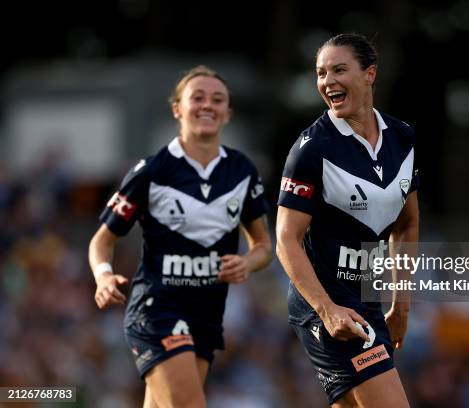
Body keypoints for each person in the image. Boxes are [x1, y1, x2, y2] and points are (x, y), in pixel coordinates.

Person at [89, 65, 272, 408]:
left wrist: (248, 263)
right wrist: (102, 276)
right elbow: (102, 239)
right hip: (157, 309)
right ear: (177, 108)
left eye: (217, 99)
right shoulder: (152, 170)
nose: (208, 105)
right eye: (197, 97)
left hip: (205, 315)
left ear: (227, 113)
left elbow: (264, 246)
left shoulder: (242, 171)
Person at [276, 33, 419, 407]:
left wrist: (400, 305)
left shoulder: (402, 138)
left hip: (367, 301)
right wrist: (327, 310)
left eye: (340, 70)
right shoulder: (312, 149)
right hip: (324, 304)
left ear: (370, 74)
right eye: (321, 73)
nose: (328, 81)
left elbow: (408, 225)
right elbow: (286, 240)